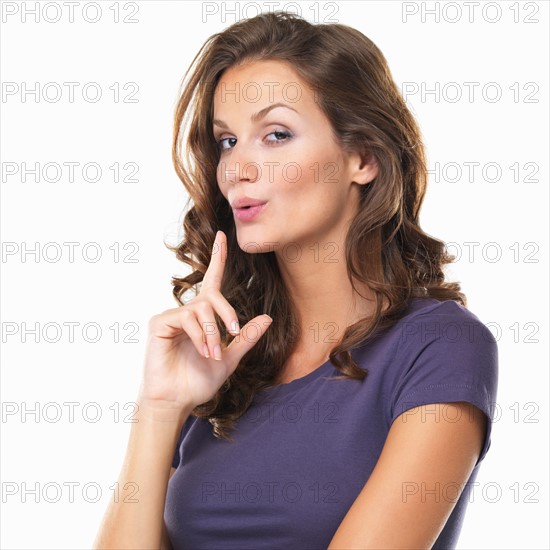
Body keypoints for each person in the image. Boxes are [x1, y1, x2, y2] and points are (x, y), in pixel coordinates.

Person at [93, 11, 499, 550]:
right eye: (227, 141)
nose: (237, 167)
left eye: (276, 134)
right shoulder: (225, 361)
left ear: (363, 157)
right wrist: (161, 408)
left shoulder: (440, 347)